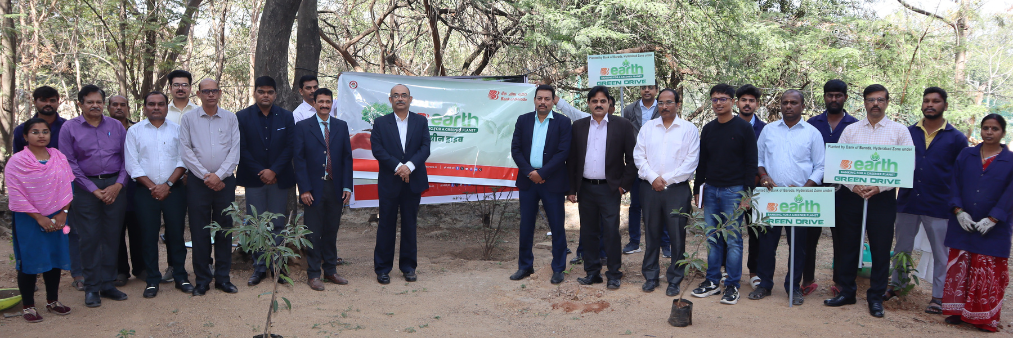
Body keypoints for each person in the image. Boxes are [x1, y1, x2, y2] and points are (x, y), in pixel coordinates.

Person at [824, 84, 914, 318]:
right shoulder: (851, 130)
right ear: (864, 102)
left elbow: (906, 166)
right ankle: (847, 292)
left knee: (881, 247)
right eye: (871, 99)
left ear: (887, 102)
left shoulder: (899, 131)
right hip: (852, 196)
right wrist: (853, 186)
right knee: (849, 245)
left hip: (882, 198)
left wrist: (879, 187)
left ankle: (876, 297)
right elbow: (837, 162)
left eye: (880, 99)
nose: (875, 103)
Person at [886, 87, 968, 314]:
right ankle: (896, 286)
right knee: (902, 248)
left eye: (936, 101)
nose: (930, 104)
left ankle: (939, 297)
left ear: (945, 105)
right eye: (926, 101)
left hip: (939, 204)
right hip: (907, 201)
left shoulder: (957, 138)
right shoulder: (907, 132)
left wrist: (958, 205)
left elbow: (962, 173)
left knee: (941, 253)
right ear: (922, 105)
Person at [748, 90, 825, 305]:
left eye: (793, 102)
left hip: (799, 198)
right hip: (770, 196)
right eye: (785, 102)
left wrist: (806, 188)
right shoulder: (769, 130)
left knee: (798, 246)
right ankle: (764, 284)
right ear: (780, 105)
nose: (788, 106)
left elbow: (820, 166)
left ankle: (793, 287)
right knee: (766, 244)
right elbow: (758, 158)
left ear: (802, 106)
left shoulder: (812, 133)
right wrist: (763, 176)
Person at [59, 85, 129, 307]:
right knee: (89, 238)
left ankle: (108, 283)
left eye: (99, 101)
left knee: (112, 236)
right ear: (80, 104)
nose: (95, 105)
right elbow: (69, 163)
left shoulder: (116, 126)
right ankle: (91, 287)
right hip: (85, 188)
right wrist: (93, 189)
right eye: (90, 102)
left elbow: (128, 158)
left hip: (115, 186)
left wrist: (118, 185)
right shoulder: (69, 128)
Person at [942, 114, 1012, 332]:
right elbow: (954, 183)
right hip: (964, 222)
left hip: (993, 228)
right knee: (961, 268)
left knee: (987, 271)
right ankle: (957, 312)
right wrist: (958, 210)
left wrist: (993, 218)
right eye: (985, 128)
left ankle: (983, 317)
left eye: (995, 129)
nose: (989, 132)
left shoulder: (1010, 161)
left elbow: (1011, 193)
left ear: (1003, 133)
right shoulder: (966, 154)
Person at [690, 83, 757, 305]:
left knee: (734, 240)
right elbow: (703, 162)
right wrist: (698, 189)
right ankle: (712, 282)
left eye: (723, 99)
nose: (718, 103)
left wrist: (747, 194)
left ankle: (732, 286)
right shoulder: (709, 128)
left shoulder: (743, 128)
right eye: (714, 99)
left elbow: (751, 163)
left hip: (734, 191)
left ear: (732, 101)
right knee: (712, 238)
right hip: (710, 190)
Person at [10, 86, 81, 291]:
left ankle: (72, 279)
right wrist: (38, 213)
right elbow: (22, 172)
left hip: (61, 201)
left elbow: (70, 172)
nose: (47, 103)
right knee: (29, 247)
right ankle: (29, 299)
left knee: (67, 238)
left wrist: (63, 210)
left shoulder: (67, 129)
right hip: (30, 206)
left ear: (58, 101)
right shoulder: (19, 136)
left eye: (52, 99)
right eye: (42, 100)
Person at [566, 86, 637, 289]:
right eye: (594, 101)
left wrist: (623, 186)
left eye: (603, 101)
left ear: (609, 104)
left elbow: (632, 159)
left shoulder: (622, 125)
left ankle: (614, 273)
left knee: (611, 232)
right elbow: (571, 161)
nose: (598, 104)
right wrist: (572, 189)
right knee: (588, 232)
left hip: (610, 189)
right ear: (588, 104)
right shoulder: (578, 126)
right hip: (585, 188)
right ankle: (593, 272)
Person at [123, 91, 191, 298]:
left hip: (175, 190)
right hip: (145, 192)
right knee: (148, 236)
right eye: (151, 104)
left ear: (165, 106)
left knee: (176, 235)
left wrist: (168, 184)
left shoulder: (179, 130)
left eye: (160, 104)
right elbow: (131, 164)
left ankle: (180, 275)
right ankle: (152, 279)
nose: (156, 107)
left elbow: (184, 159)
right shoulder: (134, 132)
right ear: (144, 107)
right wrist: (154, 186)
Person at [6, 118, 74, 322]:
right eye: (35, 132)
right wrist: (39, 217)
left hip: (57, 217)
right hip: (29, 220)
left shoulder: (59, 157)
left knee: (54, 259)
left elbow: (67, 187)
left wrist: (63, 212)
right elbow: (16, 193)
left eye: (45, 131)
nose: (41, 135)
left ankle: (52, 301)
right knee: (29, 261)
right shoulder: (17, 161)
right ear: (25, 136)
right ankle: (28, 306)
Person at [633, 88, 699, 296]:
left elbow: (691, 162)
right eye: (661, 103)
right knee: (651, 233)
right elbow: (638, 156)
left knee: (677, 235)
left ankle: (675, 279)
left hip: (677, 190)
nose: (664, 106)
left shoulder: (689, 129)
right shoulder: (648, 128)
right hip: (650, 188)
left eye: (669, 102)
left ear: (678, 104)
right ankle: (651, 276)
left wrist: (666, 180)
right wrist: (653, 178)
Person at [179, 78, 241, 296]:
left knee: (224, 229)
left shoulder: (230, 118)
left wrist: (219, 176)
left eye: (214, 91)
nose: (210, 95)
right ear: (198, 94)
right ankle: (203, 279)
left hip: (225, 182)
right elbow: (185, 150)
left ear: (220, 93)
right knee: (200, 230)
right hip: (198, 182)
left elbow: (235, 151)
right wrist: (207, 176)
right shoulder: (188, 119)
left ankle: (223, 278)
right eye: (206, 91)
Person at [236, 76, 297, 286]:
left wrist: (274, 171)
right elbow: (241, 149)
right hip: (254, 179)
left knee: (278, 224)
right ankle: (259, 268)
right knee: (257, 225)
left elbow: (290, 147)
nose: (266, 95)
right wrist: (262, 171)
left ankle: (277, 267)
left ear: (276, 94)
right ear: (255, 93)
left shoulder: (286, 117)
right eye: (262, 91)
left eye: (270, 92)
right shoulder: (242, 117)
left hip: (279, 179)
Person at [509, 84, 572, 284]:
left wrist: (542, 173)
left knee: (557, 226)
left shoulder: (563, 122)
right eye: (539, 98)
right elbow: (516, 149)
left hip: (552, 182)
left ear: (553, 101)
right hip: (528, 182)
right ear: (534, 100)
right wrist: (530, 172)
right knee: (526, 226)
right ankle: (525, 266)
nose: (542, 102)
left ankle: (558, 268)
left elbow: (563, 152)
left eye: (547, 98)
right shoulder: (523, 120)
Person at [370, 84, 430, 284]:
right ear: (390, 100)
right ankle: (383, 269)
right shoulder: (380, 123)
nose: (400, 98)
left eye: (404, 95)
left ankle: (408, 267)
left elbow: (425, 148)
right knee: (386, 225)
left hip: (413, 181)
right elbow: (377, 150)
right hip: (390, 181)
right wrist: (399, 167)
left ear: (410, 99)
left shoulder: (421, 122)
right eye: (396, 96)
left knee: (409, 225)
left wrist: (409, 167)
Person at [294, 88, 353, 291]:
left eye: (328, 102)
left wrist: (347, 186)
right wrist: (304, 189)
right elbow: (299, 160)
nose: (325, 105)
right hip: (313, 189)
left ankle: (330, 271)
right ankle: (313, 274)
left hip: (335, 187)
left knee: (331, 231)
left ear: (331, 104)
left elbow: (347, 158)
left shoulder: (341, 126)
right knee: (313, 232)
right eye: (321, 101)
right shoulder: (303, 126)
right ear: (314, 103)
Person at [803, 79, 858, 296]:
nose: (833, 99)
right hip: (815, 188)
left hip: (844, 190)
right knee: (809, 236)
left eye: (838, 95)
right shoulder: (811, 123)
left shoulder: (855, 126)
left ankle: (840, 282)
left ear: (845, 97)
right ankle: (807, 279)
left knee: (843, 238)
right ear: (824, 97)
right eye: (829, 95)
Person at [621, 84, 670, 257]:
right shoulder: (629, 110)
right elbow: (625, 135)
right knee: (635, 205)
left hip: (659, 164)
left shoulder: (664, 107)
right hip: (637, 163)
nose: (646, 90)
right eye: (643, 87)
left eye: (650, 87)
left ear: (656, 90)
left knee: (662, 204)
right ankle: (634, 242)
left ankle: (665, 243)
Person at [161, 69, 198, 283]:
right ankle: (174, 266)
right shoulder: (162, 112)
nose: (181, 88)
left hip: (195, 177)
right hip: (171, 180)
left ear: (190, 88)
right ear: (170, 88)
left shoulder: (199, 111)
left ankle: (204, 263)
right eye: (176, 85)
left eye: (184, 84)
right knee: (173, 225)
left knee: (199, 222)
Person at [107, 95, 144, 287]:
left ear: (129, 108)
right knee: (116, 230)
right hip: (112, 186)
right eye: (115, 105)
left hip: (137, 185)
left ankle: (141, 268)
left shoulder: (138, 129)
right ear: (109, 107)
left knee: (138, 229)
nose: (119, 108)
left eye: (123, 105)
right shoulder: (103, 129)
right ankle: (121, 270)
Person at [735, 84, 766, 290]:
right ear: (737, 102)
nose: (747, 104)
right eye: (744, 100)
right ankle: (730, 271)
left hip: (758, 189)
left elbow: (765, 159)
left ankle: (754, 272)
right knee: (730, 230)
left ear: (757, 104)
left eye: (751, 100)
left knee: (756, 232)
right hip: (732, 188)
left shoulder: (765, 129)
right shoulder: (727, 124)